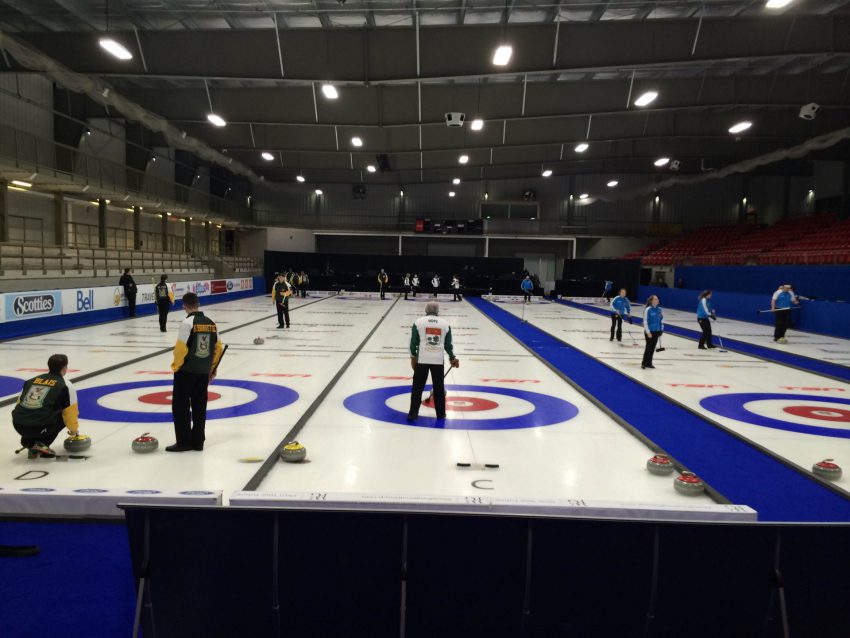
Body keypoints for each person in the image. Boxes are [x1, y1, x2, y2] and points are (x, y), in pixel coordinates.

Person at [167, 293, 224, 452]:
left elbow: (180, 349)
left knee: (180, 406)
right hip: (203, 372)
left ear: (184, 306)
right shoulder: (211, 323)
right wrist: (212, 368)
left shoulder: (187, 323)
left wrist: (176, 366)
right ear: (198, 304)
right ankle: (198, 441)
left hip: (186, 371)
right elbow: (218, 348)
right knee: (200, 406)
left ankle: (184, 442)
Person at [12, 354, 79, 458]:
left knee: (35, 412)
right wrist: (74, 432)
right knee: (62, 415)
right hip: (39, 427)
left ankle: (28, 441)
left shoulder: (31, 381)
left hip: (18, 425)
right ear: (64, 368)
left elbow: (19, 404)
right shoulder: (66, 385)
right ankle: (43, 443)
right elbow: (70, 415)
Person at [407, 301, 460, 421]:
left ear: (426, 310)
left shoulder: (418, 322)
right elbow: (448, 345)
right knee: (439, 388)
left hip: (422, 360)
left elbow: (413, 343)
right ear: (438, 311)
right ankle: (441, 414)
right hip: (438, 361)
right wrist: (452, 358)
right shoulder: (445, 324)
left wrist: (413, 357)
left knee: (417, 388)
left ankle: (413, 413)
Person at [642, 295, 664, 369]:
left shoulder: (659, 309)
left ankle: (649, 363)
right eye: (655, 299)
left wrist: (661, 329)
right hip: (649, 331)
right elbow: (645, 321)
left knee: (652, 348)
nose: (657, 300)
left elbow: (661, 320)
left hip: (657, 331)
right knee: (648, 347)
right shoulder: (648, 309)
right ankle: (644, 363)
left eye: (657, 299)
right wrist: (648, 332)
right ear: (651, 301)